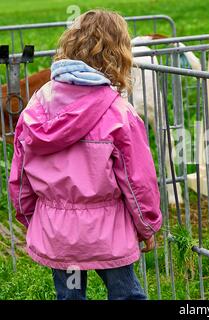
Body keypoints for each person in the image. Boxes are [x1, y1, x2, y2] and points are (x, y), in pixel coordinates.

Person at [8, 9, 162, 300]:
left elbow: (20, 174)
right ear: (118, 54)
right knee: (125, 295)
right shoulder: (119, 113)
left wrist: (33, 217)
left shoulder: (37, 105)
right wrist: (147, 224)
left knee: (69, 297)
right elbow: (136, 180)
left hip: (59, 232)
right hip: (108, 234)